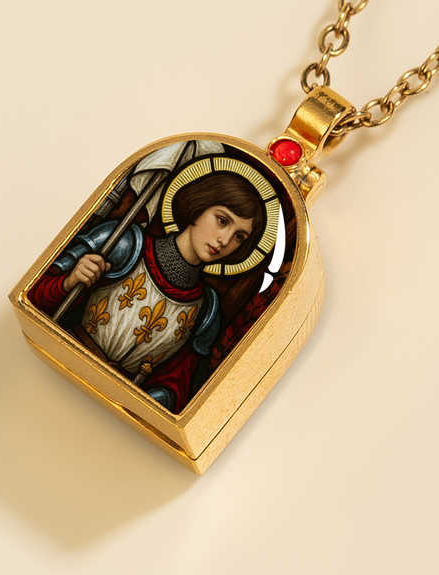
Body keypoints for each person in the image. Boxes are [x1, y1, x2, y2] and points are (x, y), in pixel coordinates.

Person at [29, 167, 271, 413]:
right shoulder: (123, 242)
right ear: (198, 206)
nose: (225, 240)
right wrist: (69, 281)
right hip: (47, 369)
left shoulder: (206, 309)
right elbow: (36, 295)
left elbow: (175, 387)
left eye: (239, 237)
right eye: (222, 220)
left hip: (111, 411)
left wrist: (147, 399)